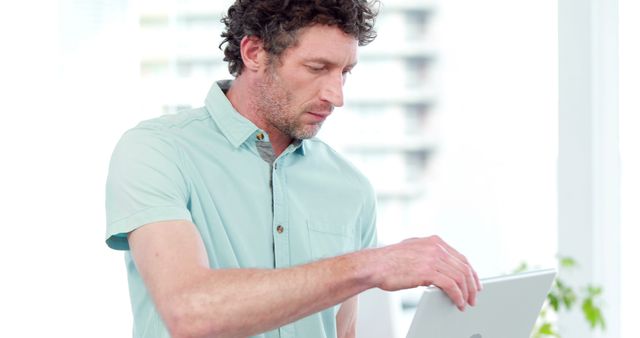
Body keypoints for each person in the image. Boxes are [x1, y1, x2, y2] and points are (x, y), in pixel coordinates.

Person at [105, 1, 481, 337]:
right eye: (318, 68)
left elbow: (343, 331)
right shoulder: (158, 150)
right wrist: (372, 265)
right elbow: (191, 313)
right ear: (254, 52)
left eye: (345, 72)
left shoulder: (350, 187)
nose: (337, 95)